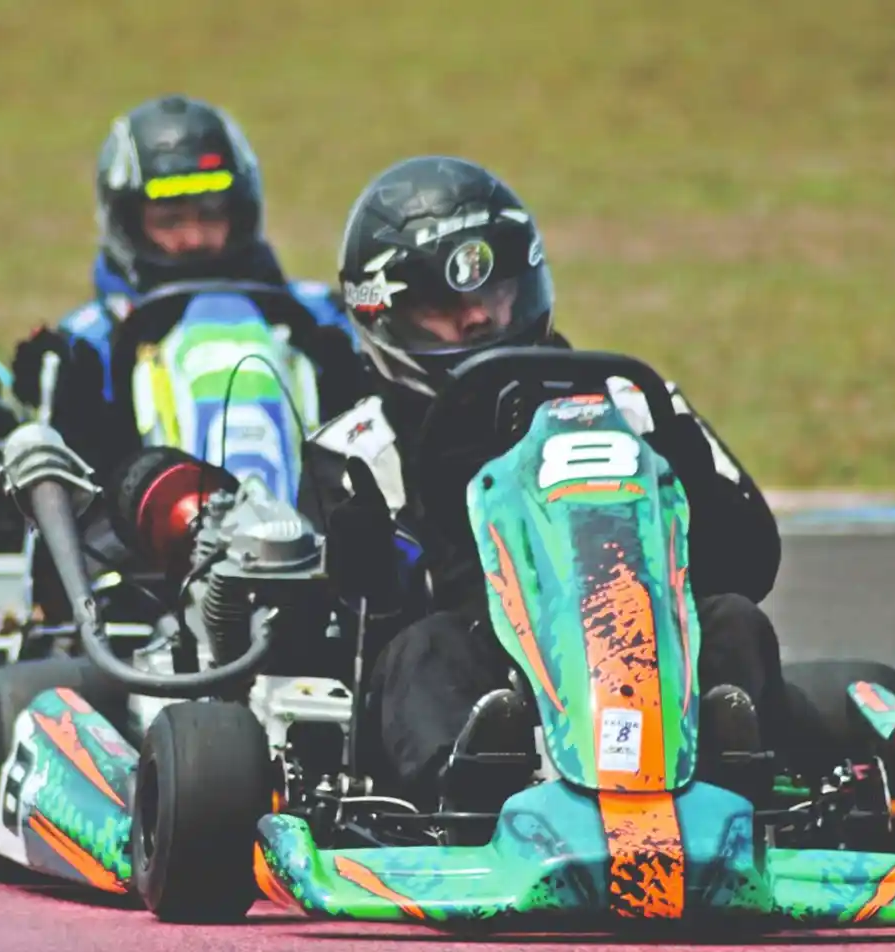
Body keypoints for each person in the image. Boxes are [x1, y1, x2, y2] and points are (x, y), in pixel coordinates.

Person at [301, 155, 785, 811]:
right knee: (423, 652)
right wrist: (363, 559)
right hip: (486, 665)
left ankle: (730, 784)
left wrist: (691, 477)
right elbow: (346, 628)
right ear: (389, 314)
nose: (477, 320)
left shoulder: (634, 401)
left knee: (734, 623)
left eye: (492, 296)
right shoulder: (360, 445)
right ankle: (468, 793)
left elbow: (751, 563)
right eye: (449, 306)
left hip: (643, 649)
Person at [0, 94, 365, 475]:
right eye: (170, 219)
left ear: (242, 211)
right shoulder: (89, 338)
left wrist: (345, 371)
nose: (193, 237)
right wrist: (63, 405)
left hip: (326, 546)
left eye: (211, 213)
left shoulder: (321, 315)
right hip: (145, 570)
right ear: (128, 223)